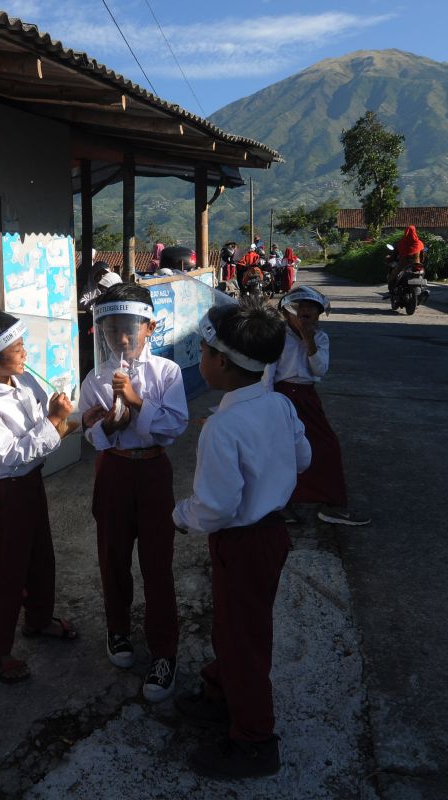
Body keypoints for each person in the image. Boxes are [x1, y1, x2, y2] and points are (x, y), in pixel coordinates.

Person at [173, 303, 311, 780]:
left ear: (223, 364)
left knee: (244, 639)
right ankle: (220, 692)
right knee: (235, 627)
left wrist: (179, 515)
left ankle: (254, 742)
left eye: (205, 352)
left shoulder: (222, 428)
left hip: (242, 543)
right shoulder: (279, 403)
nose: (201, 359)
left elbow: (215, 508)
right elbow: (304, 458)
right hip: (271, 536)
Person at [78, 284, 188, 702]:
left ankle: (165, 651)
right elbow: (92, 435)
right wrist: (106, 427)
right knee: (113, 556)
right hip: (115, 473)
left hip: (153, 469)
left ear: (149, 327)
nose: (121, 339)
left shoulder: (166, 373)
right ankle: (118, 629)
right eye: (111, 329)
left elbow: (175, 427)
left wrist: (137, 403)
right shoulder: (94, 378)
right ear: (100, 331)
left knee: (158, 563)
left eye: (129, 329)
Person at [0, 310, 80, 683]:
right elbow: (13, 453)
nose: (25, 353)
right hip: (8, 493)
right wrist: (53, 421)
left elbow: (49, 429)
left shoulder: (23, 380)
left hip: (31, 485)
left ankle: (39, 620)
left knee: (40, 557)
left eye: (23, 344)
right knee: (5, 571)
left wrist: (73, 421)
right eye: (17, 349)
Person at [271, 288, 370, 527]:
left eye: (311, 309)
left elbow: (319, 370)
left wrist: (308, 339)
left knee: (326, 446)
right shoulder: (278, 336)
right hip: (281, 396)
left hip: (307, 397)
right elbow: (269, 371)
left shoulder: (321, 338)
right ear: (287, 313)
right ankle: (281, 504)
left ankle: (332, 503)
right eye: (300, 307)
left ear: (319, 315)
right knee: (280, 450)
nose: (305, 312)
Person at [389, 225, 424, 294]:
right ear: (415, 232)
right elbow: (422, 256)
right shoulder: (419, 243)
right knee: (422, 272)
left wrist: (388, 259)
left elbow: (393, 256)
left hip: (403, 265)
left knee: (392, 276)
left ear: (406, 232)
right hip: (416, 266)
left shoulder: (401, 243)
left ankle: (391, 291)